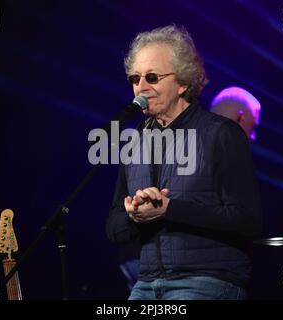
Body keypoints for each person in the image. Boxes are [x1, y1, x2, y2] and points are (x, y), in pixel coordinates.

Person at [106, 25, 261, 300]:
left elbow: (247, 220)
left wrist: (170, 210)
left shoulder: (220, 134)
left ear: (184, 82)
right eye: (135, 78)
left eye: (152, 77)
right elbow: (114, 228)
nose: (140, 87)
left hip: (207, 281)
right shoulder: (135, 142)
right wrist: (133, 215)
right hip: (146, 284)